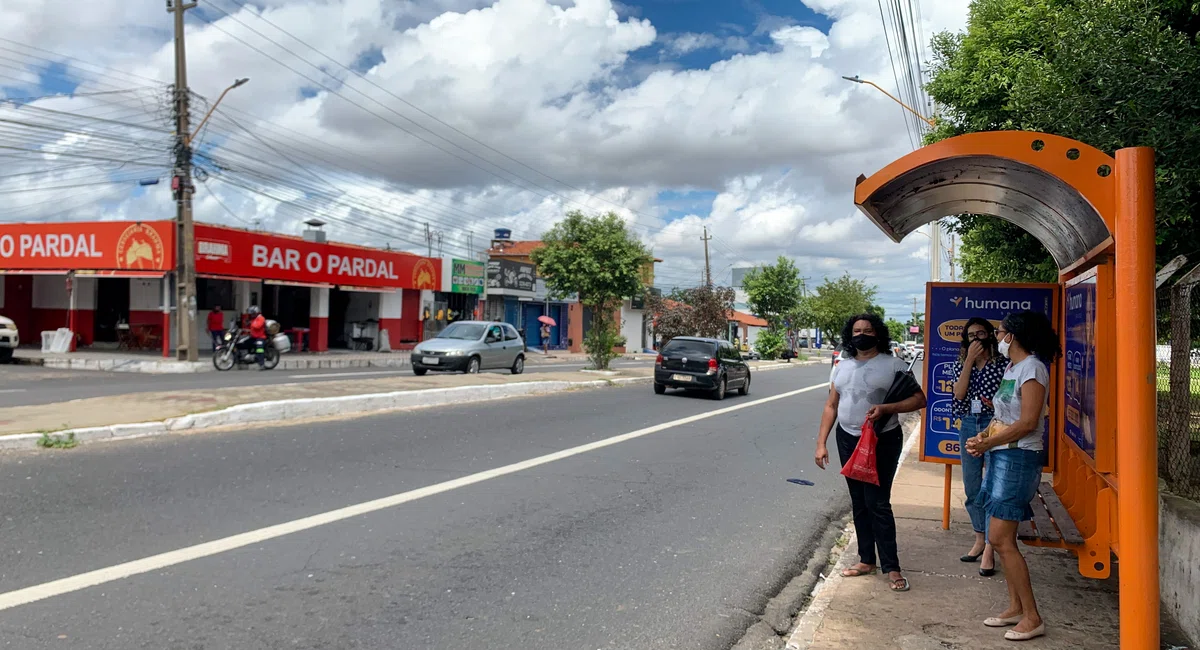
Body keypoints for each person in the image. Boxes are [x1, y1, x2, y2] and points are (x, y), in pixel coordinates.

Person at [966, 310, 1060, 641]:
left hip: (1019, 459)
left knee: (1002, 540)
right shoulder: (1012, 367)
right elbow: (1005, 414)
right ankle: (1015, 606)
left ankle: (1032, 617)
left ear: (1014, 335)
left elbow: (1027, 422)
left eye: (1001, 332)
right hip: (1002, 455)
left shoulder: (1033, 369)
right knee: (998, 538)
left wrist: (989, 442)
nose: (997, 337)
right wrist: (984, 439)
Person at [815, 313, 927, 593]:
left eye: (867, 330)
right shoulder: (841, 366)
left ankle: (892, 567)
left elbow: (918, 399)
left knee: (877, 502)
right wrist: (821, 443)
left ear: (878, 334)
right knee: (858, 501)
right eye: (856, 330)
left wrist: (887, 409)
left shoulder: (894, 365)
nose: (861, 334)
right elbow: (831, 405)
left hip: (881, 439)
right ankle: (867, 559)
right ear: (849, 335)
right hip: (847, 439)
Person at [949, 317, 1007, 576]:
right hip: (970, 423)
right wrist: (970, 361)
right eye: (971, 335)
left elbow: (1010, 398)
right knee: (972, 484)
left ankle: (990, 549)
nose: (976, 339)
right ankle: (979, 538)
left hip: (995, 424)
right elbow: (959, 394)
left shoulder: (1003, 364)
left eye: (980, 334)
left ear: (990, 336)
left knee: (993, 484)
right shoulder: (961, 363)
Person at [247, 305, 268, 370]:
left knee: (259, 349)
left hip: (260, 337)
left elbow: (257, 326)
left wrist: (251, 323)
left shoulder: (261, 318)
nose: (251, 315)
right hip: (253, 337)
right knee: (244, 343)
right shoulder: (254, 319)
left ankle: (262, 364)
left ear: (256, 313)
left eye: (252, 313)